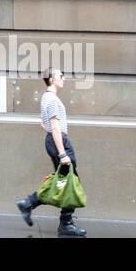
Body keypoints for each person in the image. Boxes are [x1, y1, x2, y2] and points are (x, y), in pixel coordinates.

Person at [16, 68, 86, 237]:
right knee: (71, 179)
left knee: (63, 179)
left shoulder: (46, 97)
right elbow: (54, 126)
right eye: (61, 76)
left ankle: (29, 203)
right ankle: (65, 223)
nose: (64, 79)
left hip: (54, 140)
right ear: (52, 79)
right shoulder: (52, 99)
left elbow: (44, 123)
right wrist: (62, 153)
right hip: (59, 141)